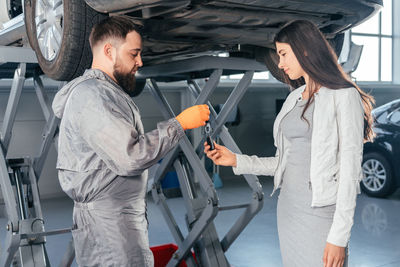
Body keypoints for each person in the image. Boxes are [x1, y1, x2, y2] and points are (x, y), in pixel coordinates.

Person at [204, 20, 375, 267]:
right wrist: (235, 160)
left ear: (305, 50)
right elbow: (285, 163)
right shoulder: (294, 97)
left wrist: (339, 237)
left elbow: (350, 174)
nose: (280, 64)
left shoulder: (343, 96)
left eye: (283, 54)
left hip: (320, 214)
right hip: (289, 209)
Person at [52, 16, 210, 266]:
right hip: (109, 227)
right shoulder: (93, 96)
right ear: (108, 50)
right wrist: (179, 124)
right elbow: (131, 157)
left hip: (115, 220)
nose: (140, 62)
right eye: (134, 53)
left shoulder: (105, 93)